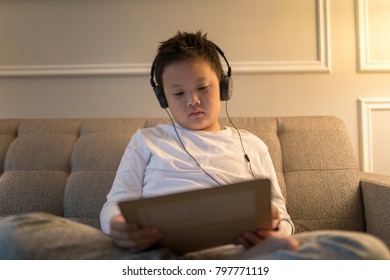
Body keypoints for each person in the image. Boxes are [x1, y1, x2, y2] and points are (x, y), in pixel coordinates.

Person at [0, 31, 389, 260]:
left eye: (203, 88)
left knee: (364, 251)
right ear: (163, 99)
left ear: (223, 86)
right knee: (14, 235)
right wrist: (118, 228)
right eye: (178, 93)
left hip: (239, 257)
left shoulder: (252, 144)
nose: (193, 101)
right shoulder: (147, 139)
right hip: (149, 256)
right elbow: (116, 203)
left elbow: (281, 215)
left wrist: (274, 231)